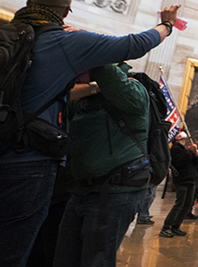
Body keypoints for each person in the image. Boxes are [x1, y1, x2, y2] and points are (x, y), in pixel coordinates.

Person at [0, 0, 180, 267]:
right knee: (1, 257)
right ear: (66, 11)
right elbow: (136, 44)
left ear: (29, 3)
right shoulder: (66, 42)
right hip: (24, 169)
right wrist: (166, 25)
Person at [52, 62, 152, 267]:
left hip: (115, 192)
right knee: (64, 257)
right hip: (81, 190)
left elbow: (112, 80)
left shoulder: (134, 89)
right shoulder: (84, 99)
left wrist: (91, 50)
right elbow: (57, 96)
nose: (76, 77)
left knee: (96, 261)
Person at [161, 132, 198, 238]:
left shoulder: (185, 150)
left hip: (190, 179)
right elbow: (179, 162)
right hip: (182, 180)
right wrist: (190, 153)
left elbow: (194, 164)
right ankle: (166, 226)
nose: (184, 141)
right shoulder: (175, 149)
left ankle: (176, 226)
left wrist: (195, 155)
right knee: (179, 204)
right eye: (182, 139)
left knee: (187, 204)